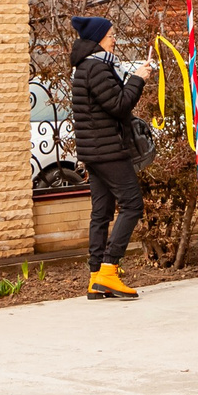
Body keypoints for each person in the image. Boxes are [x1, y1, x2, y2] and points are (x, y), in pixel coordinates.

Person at [69, 16, 149, 301]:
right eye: (111, 35)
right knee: (132, 205)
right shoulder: (96, 68)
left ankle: (95, 277)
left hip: (95, 152)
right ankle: (108, 269)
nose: (115, 39)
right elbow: (119, 105)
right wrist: (138, 79)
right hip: (108, 151)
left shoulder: (87, 67)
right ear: (97, 39)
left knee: (101, 213)